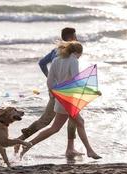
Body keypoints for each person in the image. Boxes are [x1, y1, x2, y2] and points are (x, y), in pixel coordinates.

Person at [20, 41, 101, 160]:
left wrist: (54, 94)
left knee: (55, 128)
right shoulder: (73, 60)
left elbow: (50, 81)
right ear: (76, 52)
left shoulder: (56, 60)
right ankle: (90, 151)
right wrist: (92, 91)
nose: (79, 57)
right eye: (80, 54)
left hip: (60, 97)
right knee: (80, 123)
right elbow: (76, 80)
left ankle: (28, 145)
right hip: (69, 98)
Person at [14, 28, 82, 157]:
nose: (77, 38)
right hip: (62, 93)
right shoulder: (66, 55)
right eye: (75, 36)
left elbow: (42, 63)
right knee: (47, 120)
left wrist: (50, 78)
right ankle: (20, 140)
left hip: (56, 90)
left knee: (68, 119)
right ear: (70, 38)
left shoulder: (56, 51)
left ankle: (70, 148)